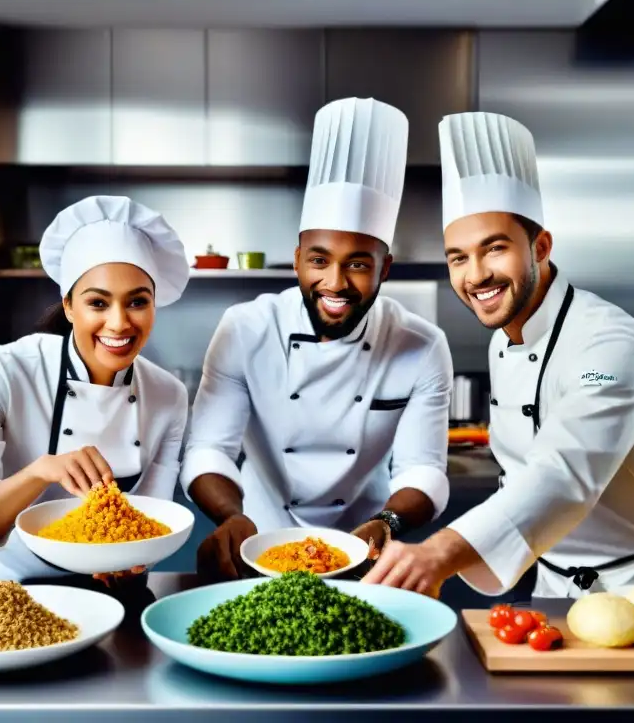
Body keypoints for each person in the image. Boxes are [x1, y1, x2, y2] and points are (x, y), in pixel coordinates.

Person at [363, 111, 634, 599]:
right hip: (549, 589)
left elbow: (563, 472)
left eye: (494, 249)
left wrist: (440, 551)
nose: (476, 276)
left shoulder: (612, 344)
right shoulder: (503, 339)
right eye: (458, 258)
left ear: (540, 247)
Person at [180, 97, 454, 583]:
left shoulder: (421, 344)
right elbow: (208, 450)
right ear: (298, 259)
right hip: (259, 547)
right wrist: (230, 518)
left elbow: (424, 469)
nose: (336, 282)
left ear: (384, 268)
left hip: (366, 553)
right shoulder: (247, 328)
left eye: (358, 264)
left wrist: (388, 523)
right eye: (320, 260)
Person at [0, 195, 191, 592]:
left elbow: (153, 518)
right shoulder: (4, 369)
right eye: (97, 303)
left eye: (138, 301)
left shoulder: (168, 395)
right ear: (69, 305)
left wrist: (134, 559)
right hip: (9, 593)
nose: (119, 323)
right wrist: (39, 472)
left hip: (116, 593)